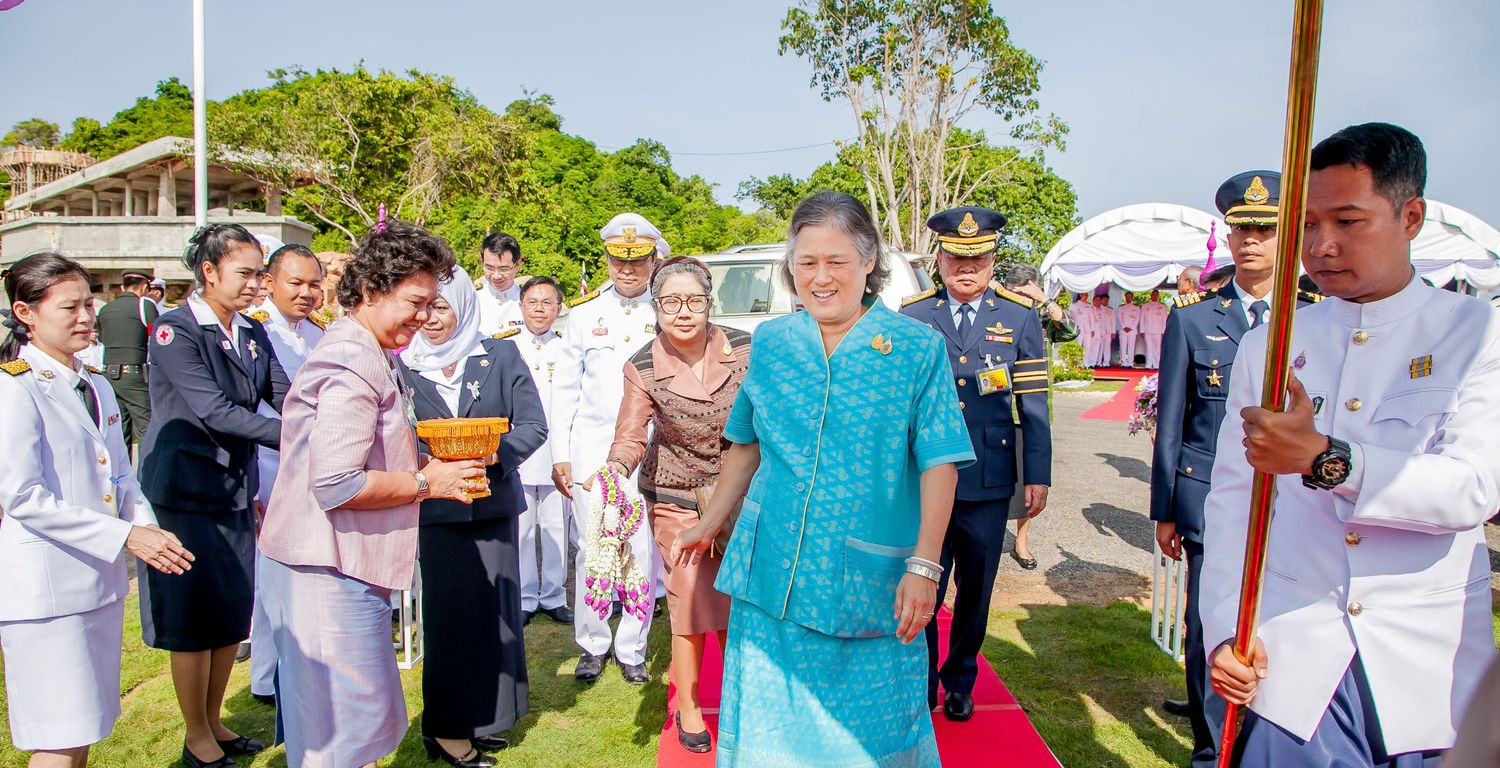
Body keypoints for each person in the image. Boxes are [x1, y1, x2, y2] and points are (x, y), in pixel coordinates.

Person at [1203, 123, 1499, 767]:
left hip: (1429, 666)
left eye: (1347, 220)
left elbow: (1472, 489)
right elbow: (1232, 503)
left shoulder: (1477, 332)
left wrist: (1325, 458)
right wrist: (1226, 627)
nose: (1322, 245)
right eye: (1307, 224)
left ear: (1410, 216)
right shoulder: (1271, 343)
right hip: (1293, 658)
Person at [673, 192, 974, 766]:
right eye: (806, 262)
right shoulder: (772, 343)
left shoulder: (917, 349)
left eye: (836, 261)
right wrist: (707, 523)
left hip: (870, 581)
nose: (820, 277)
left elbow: (940, 460)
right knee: (770, 737)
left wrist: (925, 565)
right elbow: (747, 443)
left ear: (868, 263)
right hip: (771, 574)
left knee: (871, 740)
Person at [257, 221, 486, 768]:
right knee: (338, 733)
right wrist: (430, 483)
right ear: (369, 291)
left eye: (432, 304)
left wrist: (430, 464)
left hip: (342, 563)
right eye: (415, 301)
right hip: (325, 567)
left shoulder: (372, 350)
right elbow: (337, 482)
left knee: (352, 726)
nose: (425, 317)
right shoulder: (354, 358)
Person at [1150, 170, 1319, 767]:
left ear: (1287, 234)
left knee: (1291, 622)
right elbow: (1171, 423)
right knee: (1209, 627)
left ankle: (1275, 731)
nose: (1250, 240)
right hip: (1207, 502)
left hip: (1301, 503)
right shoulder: (1194, 320)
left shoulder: (1315, 320)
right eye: (1240, 228)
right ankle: (1210, 746)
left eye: (1264, 229)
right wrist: (1164, 510)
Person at [0, 252, 194, 768]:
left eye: (89, 303)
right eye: (71, 308)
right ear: (26, 313)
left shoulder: (96, 382)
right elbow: (21, 497)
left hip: (97, 584)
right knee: (58, 738)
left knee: (84, 728)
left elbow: (120, 475)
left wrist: (147, 529)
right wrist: (124, 538)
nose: (87, 316)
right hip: (47, 592)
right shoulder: (14, 387)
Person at [136, 224, 289, 768]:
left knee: (229, 610)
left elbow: (282, 392)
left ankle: (215, 718)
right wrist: (301, 434)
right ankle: (195, 733)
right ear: (209, 272)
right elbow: (216, 411)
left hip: (232, 487)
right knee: (192, 618)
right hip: (186, 490)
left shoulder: (251, 329)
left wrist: (327, 416)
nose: (255, 284)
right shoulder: (175, 331)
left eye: (258, 273)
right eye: (244, 273)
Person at [900, 206, 1051, 719]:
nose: (967, 268)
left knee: (976, 589)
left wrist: (1039, 477)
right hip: (925, 478)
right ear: (940, 259)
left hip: (988, 479)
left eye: (979, 258)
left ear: (992, 260)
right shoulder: (914, 316)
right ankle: (918, 680)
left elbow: (1034, 407)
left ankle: (960, 679)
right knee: (924, 581)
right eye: (957, 258)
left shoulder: (1019, 317)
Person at [399, 264, 548, 767]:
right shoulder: (401, 366)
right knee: (449, 622)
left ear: (462, 306)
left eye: (441, 307)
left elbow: (533, 425)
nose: (431, 318)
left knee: (495, 621)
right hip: (437, 514)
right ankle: (445, 729)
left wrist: (493, 452)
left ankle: (482, 718)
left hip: (492, 508)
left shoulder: (499, 354)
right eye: (423, 309)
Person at [604, 257, 750, 753]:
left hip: (742, 492)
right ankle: (689, 707)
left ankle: (744, 700)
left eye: (693, 300)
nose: (683, 312)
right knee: (689, 598)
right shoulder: (641, 365)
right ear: (655, 307)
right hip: (676, 497)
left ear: (711, 304)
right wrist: (614, 471)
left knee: (738, 602)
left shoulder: (748, 349)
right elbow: (630, 435)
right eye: (670, 302)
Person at [551, 212, 665, 684]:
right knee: (593, 547)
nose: (627, 269)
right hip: (593, 450)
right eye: (619, 259)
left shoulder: (667, 313)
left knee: (641, 549)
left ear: (653, 260)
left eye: (637, 261)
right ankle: (592, 643)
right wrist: (561, 453)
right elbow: (565, 392)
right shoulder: (582, 316)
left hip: (649, 448)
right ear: (607, 258)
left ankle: (632, 646)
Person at [239, 243, 327, 704]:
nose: (307, 293)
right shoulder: (254, 333)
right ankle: (266, 678)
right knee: (271, 576)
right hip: (271, 466)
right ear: (270, 283)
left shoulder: (318, 333)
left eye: (314, 284)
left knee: (304, 572)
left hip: (316, 466)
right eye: (296, 283)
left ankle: (299, 664)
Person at [999, 263, 1071, 572]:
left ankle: (1022, 540)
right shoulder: (1002, 316)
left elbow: (1071, 330)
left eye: (1024, 293)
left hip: (1034, 414)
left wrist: (1044, 301)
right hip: (1002, 409)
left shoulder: (1043, 318)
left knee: (1031, 481)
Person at [510, 276, 573, 626]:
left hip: (554, 452)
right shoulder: (503, 348)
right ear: (521, 306)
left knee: (556, 528)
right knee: (520, 528)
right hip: (518, 452)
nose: (539, 308)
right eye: (532, 301)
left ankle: (553, 595)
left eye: (547, 302)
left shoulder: (566, 348)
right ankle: (523, 597)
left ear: (558, 308)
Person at [96, 269, 159, 450]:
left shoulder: (106, 309)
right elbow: (156, 337)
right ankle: (148, 477)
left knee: (118, 428)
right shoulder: (143, 305)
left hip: (108, 374)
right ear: (145, 287)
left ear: (123, 287)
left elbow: (101, 338)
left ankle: (119, 476)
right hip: (135, 375)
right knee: (147, 428)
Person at [474, 232, 525, 336]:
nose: (496, 276)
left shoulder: (527, 300)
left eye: (503, 269)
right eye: (489, 268)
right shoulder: (472, 298)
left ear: (517, 265)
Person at [1140, 290, 1169, 368]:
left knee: (1157, 348)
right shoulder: (1145, 306)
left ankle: (1157, 365)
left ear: (1158, 296)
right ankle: (1148, 364)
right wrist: (1142, 330)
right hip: (1147, 330)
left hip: (1158, 330)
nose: (1154, 296)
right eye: (1153, 294)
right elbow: (1142, 319)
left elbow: (1164, 320)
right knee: (1148, 348)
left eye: (1156, 295)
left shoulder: (1162, 306)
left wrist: (1163, 331)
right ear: (1151, 295)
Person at [1068, 292, 1098, 366]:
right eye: (1085, 295)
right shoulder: (1073, 305)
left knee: (1087, 347)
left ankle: (1086, 363)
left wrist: (1093, 329)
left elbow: (1092, 318)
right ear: (1080, 295)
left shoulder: (1089, 306)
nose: (1087, 297)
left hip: (1087, 329)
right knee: (1078, 346)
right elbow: (1071, 317)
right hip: (1078, 329)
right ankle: (1078, 363)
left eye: (1087, 295)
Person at [1116, 293, 1142, 367]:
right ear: (1125, 298)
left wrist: (1131, 327)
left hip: (1132, 330)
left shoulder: (1136, 307)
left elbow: (1137, 318)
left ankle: (1130, 363)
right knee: (1123, 347)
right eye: (1127, 297)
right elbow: (1119, 317)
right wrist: (1124, 327)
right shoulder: (1121, 307)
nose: (1128, 298)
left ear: (1132, 298)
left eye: (1130, 297)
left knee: (1131, 347)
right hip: (1123, 329)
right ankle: (1123, 362)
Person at [1092, 294, 1115, 367]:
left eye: (1107, 300)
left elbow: (1113, 322)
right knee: (1099, 348)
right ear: (1101, 300)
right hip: (1099, 331)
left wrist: (1113, 332)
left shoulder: (1111, 310)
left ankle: (1106, 363)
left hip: (1108, 332)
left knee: (1107, 348)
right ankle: (1097, 362)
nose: (1106, 301)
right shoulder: (1097, 309)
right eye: (1104, 300)